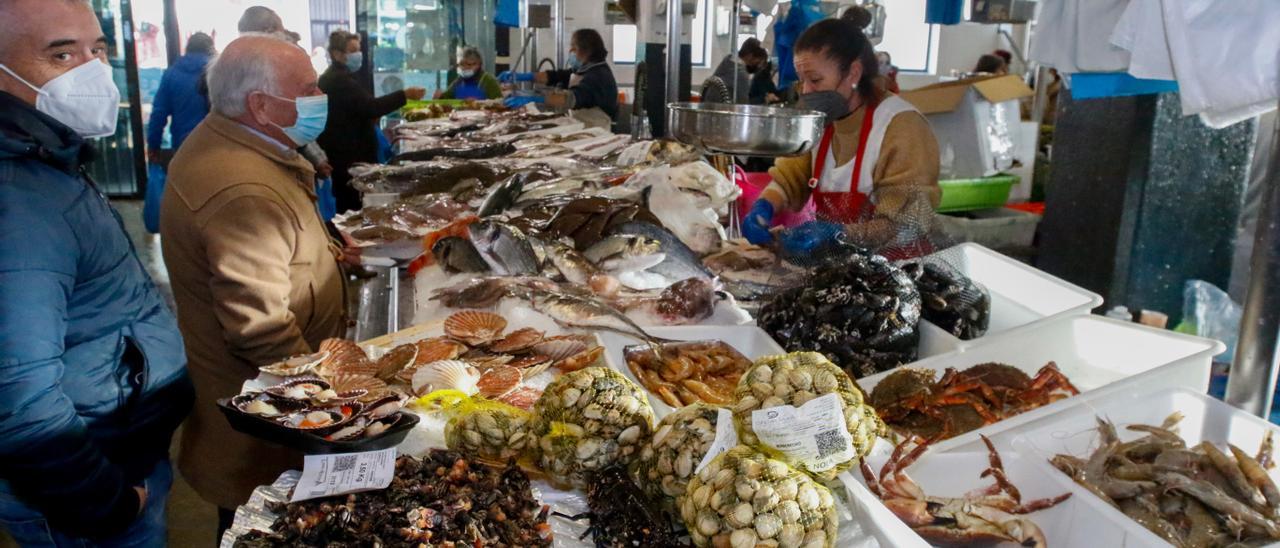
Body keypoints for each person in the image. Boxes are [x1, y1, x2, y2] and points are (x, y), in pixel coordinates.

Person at [0, 0, 193, 545]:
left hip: (123, 453)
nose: (92, 70)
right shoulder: (19, 200)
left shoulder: (47, 158)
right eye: (61, 54)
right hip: (94, 487)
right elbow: (18, 397)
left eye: (98, 49)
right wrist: (105, 506)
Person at [160, 34, 349, 541]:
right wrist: (338, 411)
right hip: (261, 437)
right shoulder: (240, 188)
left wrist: (327, 254)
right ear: (261, 105)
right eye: (307, 89)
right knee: (257, 531)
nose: (318, 98)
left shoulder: (237, 141)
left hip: (254, 417)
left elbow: (275, 252)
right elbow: (259, 331)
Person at [742, 18, 940, 259]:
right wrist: (765, 206)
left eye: (815, 80)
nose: (806, 91)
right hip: (841, 266)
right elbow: (788, 179)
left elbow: (907, 225)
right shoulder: (823, 120)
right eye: (802, 80)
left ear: (853, 72)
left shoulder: (901, 126)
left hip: (898, 270)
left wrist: (839, 234)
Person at [317, 30, 425, 213]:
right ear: (336, 54)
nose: (358, 55)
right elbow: (371, 107)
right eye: (352, 51)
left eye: (358, 50)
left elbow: (361, 108)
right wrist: (404, 95)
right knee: (352, 206)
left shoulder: (343, 77)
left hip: (347, 153)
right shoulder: (338, 80)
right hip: (346, 156)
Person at [501, 28, 618, 130]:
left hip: (597, 131)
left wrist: (534, 98)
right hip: (581, 126)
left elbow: (571, 98)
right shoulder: (583, 69)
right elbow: (555, 76)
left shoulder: (598, 75)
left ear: (586, 50)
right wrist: (524, 76)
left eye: (574, 47)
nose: (570, 51)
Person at [146, 32, 214, 161]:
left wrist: (154, 145)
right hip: (216, 142)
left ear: (187, 49)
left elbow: (159, 114)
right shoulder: (218, 73)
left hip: (183, 144)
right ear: (211, 50)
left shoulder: (172, 74)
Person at [436, 46, 501, 100]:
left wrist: (479, 104)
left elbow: (499, 103)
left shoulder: (489, 81)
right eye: (462, 65)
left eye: (469, 65)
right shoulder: (459, 81)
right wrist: (440, 97)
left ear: (479, 64)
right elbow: (447, 98)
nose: (465, 68)